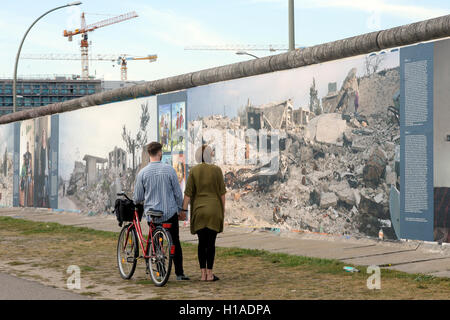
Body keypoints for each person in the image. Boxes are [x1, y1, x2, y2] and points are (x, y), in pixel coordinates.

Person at [133, 142, 190, 281]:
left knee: (156, 242)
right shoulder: (169, 170)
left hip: (152, 215)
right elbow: (177, 193)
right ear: (160, 153)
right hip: (169, 213)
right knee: (174, 241)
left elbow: (138, 197)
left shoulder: (142, 173)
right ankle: (179, 273)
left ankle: (160, 272)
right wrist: (181, 210)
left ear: (149, 154)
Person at [181, 145, 226, 281]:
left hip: (199, 211)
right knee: (211, 244)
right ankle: (210, 274)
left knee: (201, 243)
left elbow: (188, 194)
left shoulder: (194, 171)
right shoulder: (217, 170)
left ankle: (202, 274)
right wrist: (222, 211)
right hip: (214, 210)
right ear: (209, 155)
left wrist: (183, 210)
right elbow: (222, 194)